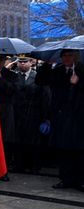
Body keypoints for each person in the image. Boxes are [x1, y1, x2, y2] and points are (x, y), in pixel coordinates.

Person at [36, 50, 84, 189]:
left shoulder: (82, 70)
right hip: (62, 116)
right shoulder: (58, 70)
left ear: (76, 56)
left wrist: (77, 83)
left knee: (79, 150)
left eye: (70, 55)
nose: (66, 58)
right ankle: (66, 178)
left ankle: (81, 179)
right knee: (64, 149)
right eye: (64, 56)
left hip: (79, 117)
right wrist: (46, 65)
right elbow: (41, 81)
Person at [11, 57, 48, 173]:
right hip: (18, 113)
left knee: (33, 142)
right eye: (20, 62)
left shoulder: (37, 76)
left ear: (30, 63)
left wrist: (44, 116)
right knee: (18, 141)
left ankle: (34, 165)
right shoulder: (14, 76)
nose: (22, 64)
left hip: (33, 112)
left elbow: (45, 96)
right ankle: (19, 164)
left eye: (24, 62)